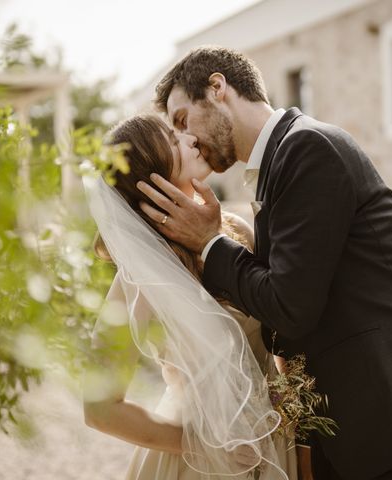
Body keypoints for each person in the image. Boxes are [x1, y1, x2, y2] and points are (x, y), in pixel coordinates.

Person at [137, 46, 392, 480]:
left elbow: (291, 306)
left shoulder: (308, 147)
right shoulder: (279, 164)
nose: (188, 138)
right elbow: (296, 328)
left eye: (183, 120)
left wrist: (211, 243)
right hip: (371, 439)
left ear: (217, 89)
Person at [82, 114, 298, 480]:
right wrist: (206, 445)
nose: (190, 139)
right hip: (199, 465)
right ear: (153, 179)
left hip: (278, 447)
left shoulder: (238, 231)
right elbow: (99, 409)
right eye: (173, 138)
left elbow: (283, 328)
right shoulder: (139, 278)